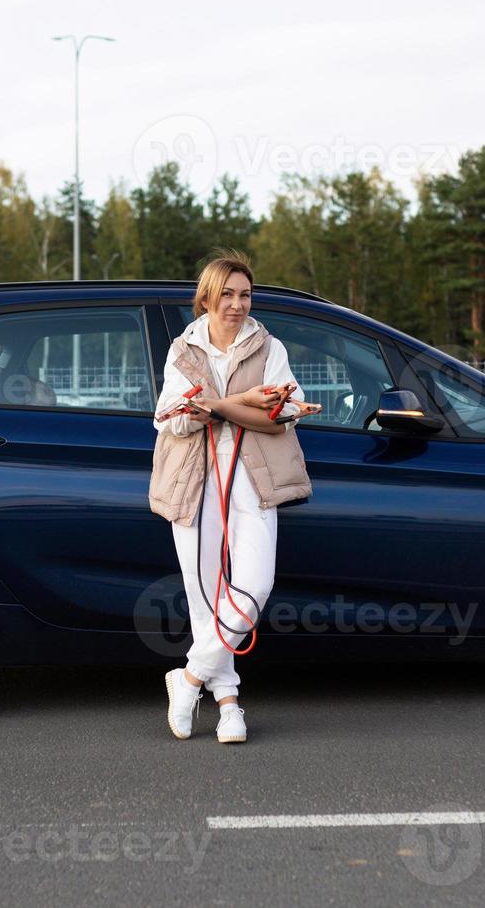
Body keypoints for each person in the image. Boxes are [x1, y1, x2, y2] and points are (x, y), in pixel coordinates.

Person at [147, 250, 313, 744]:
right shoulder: (183, 350)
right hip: (192, 480)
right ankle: (228, 703)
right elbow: (173, 418)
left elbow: (282, 415)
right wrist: (244, 403)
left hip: (254, 477)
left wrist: (217, 405)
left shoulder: (269, 347)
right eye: (227, 295)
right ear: (207, 299)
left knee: (255, 586)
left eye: (245, 295)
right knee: (205, 598)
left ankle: (190, 677)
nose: (237, 305)